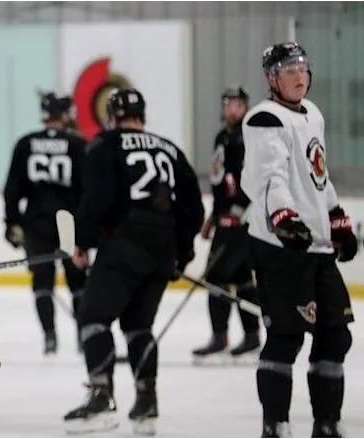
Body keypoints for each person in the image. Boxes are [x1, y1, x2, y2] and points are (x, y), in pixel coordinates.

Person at [63, 88, 204, 435]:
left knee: (93, 318)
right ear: (142, 116)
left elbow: (97, 197)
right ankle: (147, 400)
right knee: (138, 326)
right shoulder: (170, 149)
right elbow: (193, 207)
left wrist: (82, 243)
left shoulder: (105, 144)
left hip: (125, 243)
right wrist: (182, 250)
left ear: (112, 116)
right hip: (163, 248)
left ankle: (101, 396)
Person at [240, 42, 356, 438]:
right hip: (280, 248)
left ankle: (326, 423)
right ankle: (275, 425)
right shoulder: (264, 119)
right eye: (290, 69)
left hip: (316, 247)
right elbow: (267, 177)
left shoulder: (313, 114)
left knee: (335, 335)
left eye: (303, 68)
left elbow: (317, 177)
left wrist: (336, 217)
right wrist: (283, 217)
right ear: (272, 78)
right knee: (286, 337)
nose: (300, 75)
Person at [3, 92, 87, 355]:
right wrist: (89, 230)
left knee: (42, 281)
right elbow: (90, 191)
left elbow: (12, 189)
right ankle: (85, 336)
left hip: (36, 221)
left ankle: (49, 337)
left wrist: (12, 222)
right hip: (69, 222)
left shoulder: (26, 143)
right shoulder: (77, 144)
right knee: (78, 281)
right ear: (65, 114)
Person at [192, 86, 262, 362]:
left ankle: (220, 336)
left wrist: (239, 209)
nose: (233, 109)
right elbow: (222, 182)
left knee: (216, 276)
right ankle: (252, 336)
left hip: (241, 221)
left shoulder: (248, 137)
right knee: (242, 277)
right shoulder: (222, 137)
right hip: (224, 219)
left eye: (238, 104)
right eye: (228, 104)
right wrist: (213, 216)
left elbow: (253, 176)